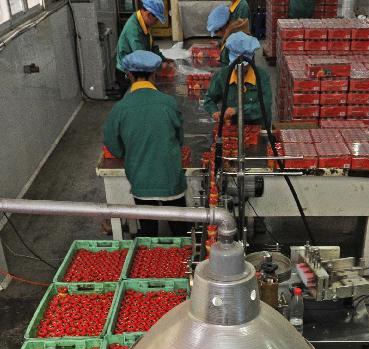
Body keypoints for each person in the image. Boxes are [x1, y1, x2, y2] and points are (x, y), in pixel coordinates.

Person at [103, 51, 187, 238]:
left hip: (141, 181)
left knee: (148, 233)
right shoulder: (168, 103)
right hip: (170, 179)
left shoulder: (120, 108)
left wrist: (129, 152)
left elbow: (111, 143)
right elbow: (179, 139)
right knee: (182, 232)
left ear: (129, 75)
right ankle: (187, 261)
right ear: (154, 74)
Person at [203, 33, 272, 126]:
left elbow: (265, 105)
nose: (241, 68)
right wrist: (214, 112)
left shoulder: (261, 77)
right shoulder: (222, 75)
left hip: (258, 127)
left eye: (245, 66)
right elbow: (209, 99)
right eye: (237, 65)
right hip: (232, 126)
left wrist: (237, 110)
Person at [115, 0, 166, 74]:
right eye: (156, 20)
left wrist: (164, 60)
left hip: (136, 70)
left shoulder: (144, 23)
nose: (156, 23)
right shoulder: (134, 29)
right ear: (148, 15)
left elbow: (152, 46)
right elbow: (142, 58)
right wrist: (161, 66)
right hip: (127, 73)